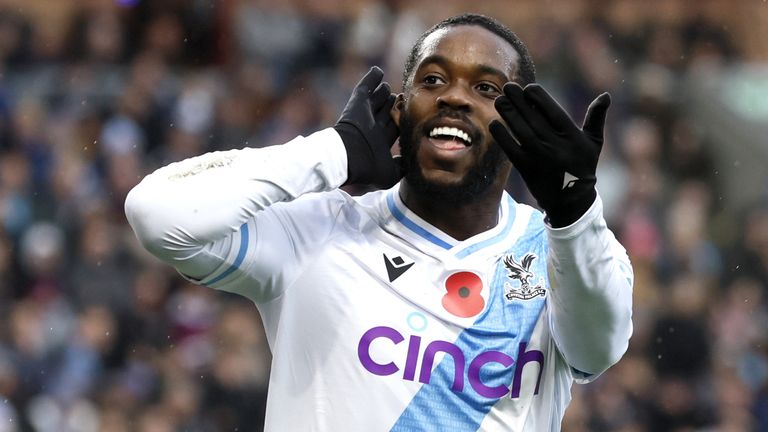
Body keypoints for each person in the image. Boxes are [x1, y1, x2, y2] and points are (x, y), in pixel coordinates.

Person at [125, 13, 633, 432]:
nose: (453, 97)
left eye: (484, 87)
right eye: (432, 80)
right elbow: (158, 214)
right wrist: (333, 150)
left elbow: (600, 348)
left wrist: (574, 211)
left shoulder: (560, 252)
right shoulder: (319, 230)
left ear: (521, 121)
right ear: (400, 109)